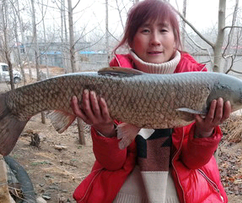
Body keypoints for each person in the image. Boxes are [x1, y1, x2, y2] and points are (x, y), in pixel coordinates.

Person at [71, 0, 231, 202]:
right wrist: (104, 128)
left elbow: (192, 163)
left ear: (175, 38)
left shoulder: (199, 85)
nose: (155, 40)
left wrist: (205, 132)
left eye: (163, 30)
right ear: (131, 39)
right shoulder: (110, 84)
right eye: (145, 30)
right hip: (124, 186)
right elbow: (111, 164)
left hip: (181, 189)